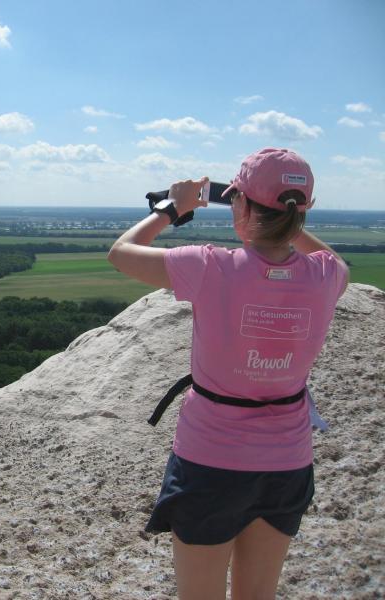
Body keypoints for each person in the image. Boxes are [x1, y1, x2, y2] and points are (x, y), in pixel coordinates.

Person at [107, 148, 348, 600]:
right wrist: (287, 220)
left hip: (210, 462)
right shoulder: (326, 276)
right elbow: (332, 259)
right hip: (287, 463)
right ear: (302, 211)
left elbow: (120, 253)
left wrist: (172, 208)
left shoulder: (210, 266)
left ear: (241, 205)